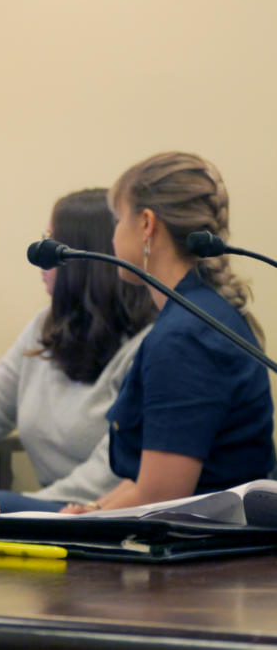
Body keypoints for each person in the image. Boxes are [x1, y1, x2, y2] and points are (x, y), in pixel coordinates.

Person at [64, 151, 274, 513]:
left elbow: (161, 498)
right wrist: (93, 509)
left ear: (147, 224)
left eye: (118, 220)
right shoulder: (196, 315)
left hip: (206, 545)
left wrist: (83, 522)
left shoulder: (184, 338)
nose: (113, 236)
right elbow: (148, 477)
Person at [0, 189, 157, 512]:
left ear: (85, 258)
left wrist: (22, 508)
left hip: (101, 510)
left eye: (51, 242)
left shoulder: (149, 344)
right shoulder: (45, 325)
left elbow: (111, 473)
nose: (39, 257)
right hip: (52, 507)